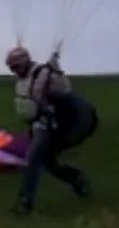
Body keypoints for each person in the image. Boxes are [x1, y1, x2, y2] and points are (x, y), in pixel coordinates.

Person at [6, 44, 97, 215]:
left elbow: (65, 93)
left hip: (51, 125)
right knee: (48, 163)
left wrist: (54, 74)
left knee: (33, 159)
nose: (14, 71)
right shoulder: (24, 80)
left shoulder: (45, 75)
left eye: (16, 67)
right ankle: (76, 179)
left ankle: (25, 202)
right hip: (38, 125)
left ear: (25, 62)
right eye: (11, 68)